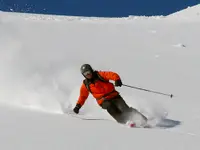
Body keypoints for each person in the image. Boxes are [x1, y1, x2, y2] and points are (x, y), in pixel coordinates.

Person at [73, 64, 147, 125]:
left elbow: (111, 74)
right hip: (103, 100)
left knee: (124, 108)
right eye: (85, 74)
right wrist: (78, 106)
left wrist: (117, 79)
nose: (88, 74)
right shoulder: (86, 84)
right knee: (110, 107)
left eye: (88, 72)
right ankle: (124, 122)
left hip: (114, 96)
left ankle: (142, 119)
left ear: (91, 70)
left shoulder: (100, 75)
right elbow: (83, 96)